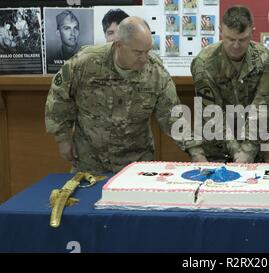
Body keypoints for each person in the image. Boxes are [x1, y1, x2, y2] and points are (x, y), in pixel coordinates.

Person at [45, 16, 206, 174]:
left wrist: (196, 152)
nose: (144, 59)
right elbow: (59, 95)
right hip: (89, 161)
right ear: (118, 45)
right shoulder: (86, 62)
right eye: (138, 52)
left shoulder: (156, 73)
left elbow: (173, 117)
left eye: (148, 51)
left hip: (136, 165)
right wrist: (62, 137)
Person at [191, 6, 269, 163]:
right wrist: (236, 152)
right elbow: (212, 113)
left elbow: (263, 106)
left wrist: (247, 150)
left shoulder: (265, 59)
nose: (236, 45)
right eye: (230, 39)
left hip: (253, 146)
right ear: (220, 31)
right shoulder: (204, 64)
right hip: (216, 148)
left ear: (252, 32)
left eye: (242, 39)